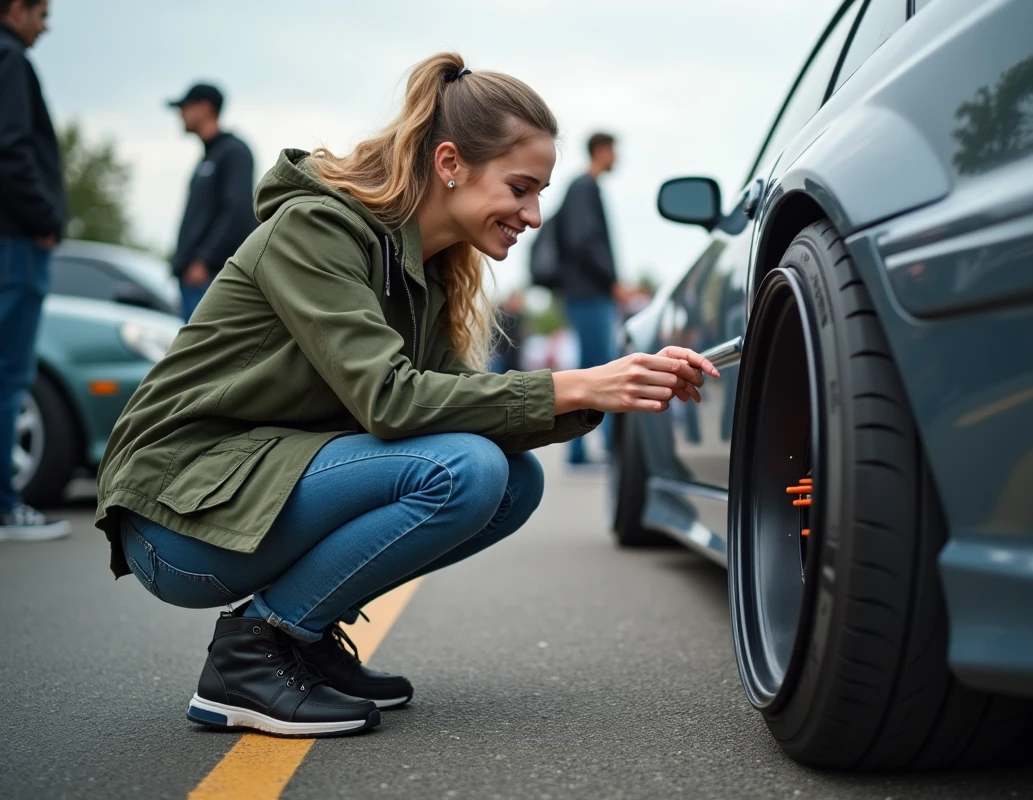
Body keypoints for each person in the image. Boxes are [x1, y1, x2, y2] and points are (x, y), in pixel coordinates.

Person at [94, 53, 718, 739]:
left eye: (540, 192)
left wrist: (612, 386)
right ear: (450, 163)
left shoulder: (427, 267)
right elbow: (391, 403)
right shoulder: (317, 230)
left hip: (252, 488)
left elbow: (458, 399)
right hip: (180, 517)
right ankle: (252, 652)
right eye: (521, 188)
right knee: (465, 470)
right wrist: (575, 382)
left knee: (511, 481)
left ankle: (298, 640)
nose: (535, 214)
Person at [0, 0, 70, 542]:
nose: (47, 27)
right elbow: (13, 149)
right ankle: (6, 505)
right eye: (42, 13)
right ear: (16, 9)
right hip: (16, 240)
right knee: (9, 374)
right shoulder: (10, 61)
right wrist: (44, 219)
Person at [556, 132, 621, 466]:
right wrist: (612, 281)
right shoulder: (585, 187)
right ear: (600, 150)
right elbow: (584, 241)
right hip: (589, 293)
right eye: (613, 150)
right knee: (600, 368)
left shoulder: (582, 188)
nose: (617, 157)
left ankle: (582, 449)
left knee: (592, 365)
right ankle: (600, 447)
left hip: (585, 292)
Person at [167, 82, 257, 321]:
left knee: (205, 355)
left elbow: (237, 210)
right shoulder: (210, 155)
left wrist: (204, 260)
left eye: (185, 107)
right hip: (193, 277)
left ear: (205, 108)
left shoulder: (233, 152)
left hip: (208, 277)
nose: (180, 114)